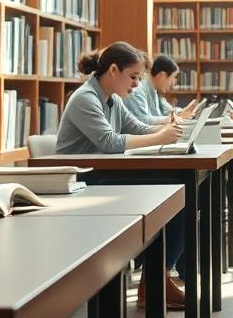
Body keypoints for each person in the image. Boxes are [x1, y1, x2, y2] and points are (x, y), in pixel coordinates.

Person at [55, 42, 188, 310]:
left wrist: (166, 129)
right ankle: (153, 274)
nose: (138, 84)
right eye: (134, 76)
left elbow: (135, 127)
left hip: (105, 174)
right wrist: (160, 138)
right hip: (82, 182)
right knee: (177, 190)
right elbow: (109, 142)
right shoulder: (85, 98)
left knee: (178, 190)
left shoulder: (112, 99)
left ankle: (155, 274)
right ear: (113, 70)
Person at [123, 53, 199, 125]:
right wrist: (173, 118)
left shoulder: (154, 89)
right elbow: (143, 120)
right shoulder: (139, 88)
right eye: (173, 77)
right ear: (162, 75)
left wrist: (181, 113)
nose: (173, 83)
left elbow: (167, 110)